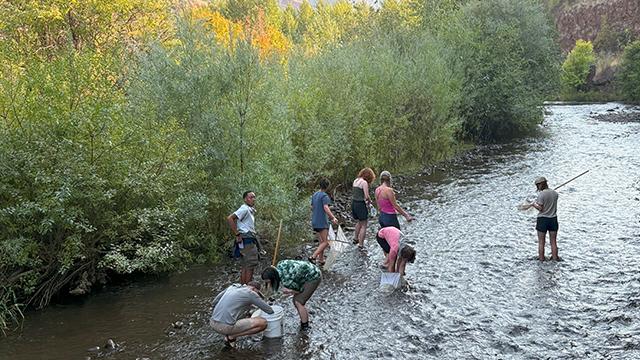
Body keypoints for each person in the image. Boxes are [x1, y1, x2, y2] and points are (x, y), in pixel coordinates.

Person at [210, 281, 274, 349]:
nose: (257, 295)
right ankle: (231, 336)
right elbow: (269, 311)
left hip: (212, 322)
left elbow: (215, 301)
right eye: (257, 293)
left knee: (236, 313)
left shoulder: (233, 287)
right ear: (253, 288)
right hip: (225, 327)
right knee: (263, 323)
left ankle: (230, 340)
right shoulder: (250, 293)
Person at [261, 260, 321, 329]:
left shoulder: (286, 281)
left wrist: (289, 291)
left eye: (269, 282)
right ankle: (304, 317)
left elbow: (300, 289)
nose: (269, 284)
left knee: (299, 302)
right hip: (309, 268)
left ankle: (305, 325)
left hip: (314, 276)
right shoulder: (280, 264)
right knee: (295, 301)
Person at [226, 191, 259, 284]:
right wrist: (237, 234)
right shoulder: (244, 209)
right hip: (246, 240)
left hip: (244, 240)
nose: (253, 200)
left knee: (245, 265)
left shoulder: (248, 209)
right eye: (251, 198)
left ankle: (244, 287)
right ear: (245, 199)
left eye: (254, 197)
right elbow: (229, 218)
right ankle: (248, 290)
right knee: (250, 265)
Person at [309, 177, 338, 266]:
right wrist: (333, 217)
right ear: (327, 187)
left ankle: (321, 260)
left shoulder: (315, 195)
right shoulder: (325, 196)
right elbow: (326, 207)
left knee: (321, 241)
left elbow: (311, 207)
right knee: (326, 242)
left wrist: (317, 213)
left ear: (319, 185)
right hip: (322, 222)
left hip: (315, 221)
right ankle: (313, 257)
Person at [532, 176, 559, 261]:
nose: (537, 188)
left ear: (541, 185)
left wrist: (533, 204)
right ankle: (555, 259)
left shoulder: (541, 195)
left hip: (543, 220)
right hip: (553, 219)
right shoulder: (555, 193)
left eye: (537, 186)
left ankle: (541, 260)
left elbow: (540, 208)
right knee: (553, 242)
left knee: (541, 242)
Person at [351, 168, 376, 250]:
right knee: (364, 225)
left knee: (359, 222)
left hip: (354, 204)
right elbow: (366, 196)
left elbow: (357, 195)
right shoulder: (364, 183)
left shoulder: (355, 180)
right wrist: (369, 201)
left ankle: (355, 239)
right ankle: (361, 245)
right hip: (360, 205)